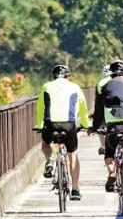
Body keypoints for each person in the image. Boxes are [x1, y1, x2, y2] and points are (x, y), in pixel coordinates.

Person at [87, 59, 123, 193]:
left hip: (114, 127)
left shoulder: (105, 87)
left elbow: (99, 111)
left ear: (111, 74)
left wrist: (94, 127)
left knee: (108, 151)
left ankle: (112, 173)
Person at [36, 64, 90, 200]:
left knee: (46, 143)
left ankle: (49, 161)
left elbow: (40, 107)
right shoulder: (74, 87)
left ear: (54, 76)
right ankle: (75, 189)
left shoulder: (46, 86)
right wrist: (85, 124)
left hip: (51, 124)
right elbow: (83, 106)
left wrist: (40, 125)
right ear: (68, 76)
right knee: (72, 155)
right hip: (69, 125)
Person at [94, 64, 112, 155]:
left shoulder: (100, 83)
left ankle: (102, 145)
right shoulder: (118, 80)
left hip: (105, 108)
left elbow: (98, 102)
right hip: (118, 110)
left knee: (100, 126)